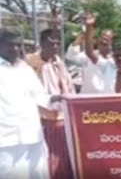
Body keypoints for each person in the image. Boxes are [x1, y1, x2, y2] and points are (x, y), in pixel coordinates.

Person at [0, 29, 59, 179]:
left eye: (18, 45)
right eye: (10, 45)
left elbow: (39, 96)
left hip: (33, 135)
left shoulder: (25, 69)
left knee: (39, 174)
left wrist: (55, 99)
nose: (15, 49)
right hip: (6, 140)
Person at [25, 29, 74, 179]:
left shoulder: (59, 62)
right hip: (41, 118)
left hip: (61, 117)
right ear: (42, 43)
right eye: (52, 43)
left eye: (58, 43)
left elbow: (68, 86)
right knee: (45, 158)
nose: (55, 46)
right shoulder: (30, 62)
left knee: (62, 157)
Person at [82, 13, 121, 93]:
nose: (119, 58)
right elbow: (89, 52)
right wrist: (89, 27)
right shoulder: (107, 64)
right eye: (117, 55)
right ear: (113, 55)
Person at [65, 28, 114, 93]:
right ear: (98, 40)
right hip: (88, 98)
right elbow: (70, 56)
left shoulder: (116, 60)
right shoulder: (88, 56)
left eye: (107, 39)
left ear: (111, 42)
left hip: (108, 99)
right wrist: (80, 37)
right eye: (102, 38)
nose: (104, 41)